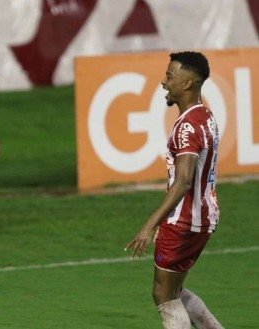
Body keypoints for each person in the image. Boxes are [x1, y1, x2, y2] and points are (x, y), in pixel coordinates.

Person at [125, 51, 223, 329]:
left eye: (170, 76)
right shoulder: (206, 117)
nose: (163, 82)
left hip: (183, 220)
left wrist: (149, 225)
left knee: (163, 295)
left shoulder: (187, 127)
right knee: (174, 291)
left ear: (187, 83)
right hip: (204, 216)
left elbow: (183, 181)